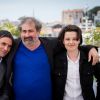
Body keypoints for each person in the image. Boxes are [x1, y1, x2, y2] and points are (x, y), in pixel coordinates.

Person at [6, 17, 99, 100]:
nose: (27, 35)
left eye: (30, 31)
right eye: (24, 31)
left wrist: (91, 48)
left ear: (38, 31)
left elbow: (72, 45)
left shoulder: (50, 44)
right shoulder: (13, 46)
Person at [53, 25, 100, 100]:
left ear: (79, 40)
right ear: (63, 41)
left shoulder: (90, 58)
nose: (71, 42)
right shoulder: (56, 60)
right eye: (67, 39)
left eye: (75, 39)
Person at [0, 30, 14, 100]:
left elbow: (5, 87)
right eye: (3, 44)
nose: (6, 49)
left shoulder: (5, 65)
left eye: (9, 46)